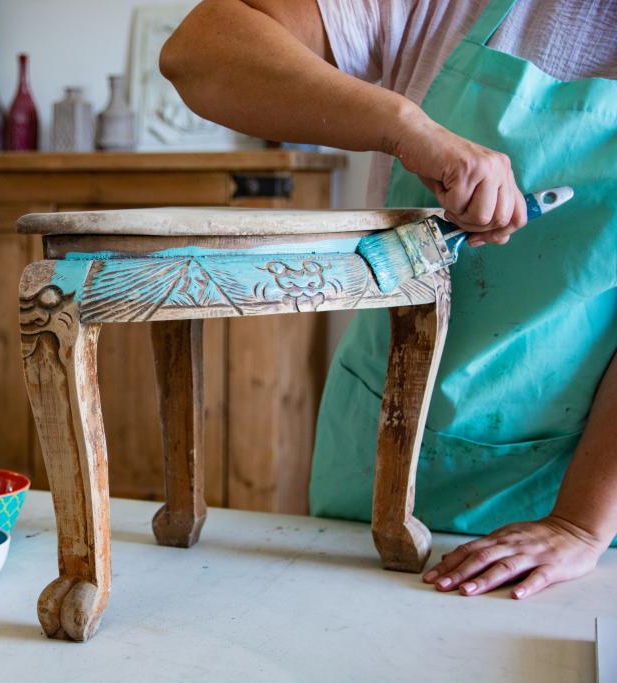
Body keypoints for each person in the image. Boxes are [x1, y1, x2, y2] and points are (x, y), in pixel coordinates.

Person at [161, 0, 616, 599]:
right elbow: (197, 54)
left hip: (570, 490)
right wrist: (409, 127)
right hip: (378, 446)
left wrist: (578, 525)